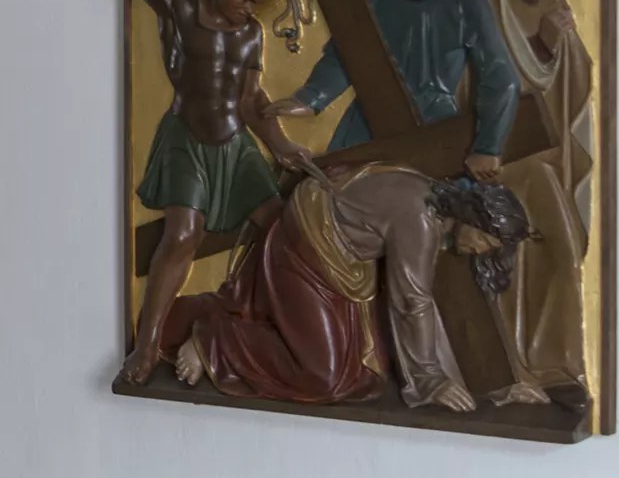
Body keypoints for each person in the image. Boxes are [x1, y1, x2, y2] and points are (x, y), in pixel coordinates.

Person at [119, 0, 318, 383]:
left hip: (234, 142)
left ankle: (259, 328)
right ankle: (147, 346)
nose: (251, 8)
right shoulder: (180, 7)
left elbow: (250, 100)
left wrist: (281, 145)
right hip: (187, 137)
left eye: (258, 2)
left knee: (282, 227)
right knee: (183, 235)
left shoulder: (250, 34)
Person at [169, 170, 536, 414]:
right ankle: (213, 339)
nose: (482, 250)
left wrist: (494, 388)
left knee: (365, 373)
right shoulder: (421, 220)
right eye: (487, 241)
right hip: (304, 252)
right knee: (325, 378)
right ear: (473, 217)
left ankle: (219, 321)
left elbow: (423, 304)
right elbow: (412, 302)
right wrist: (430, 381)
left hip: (340, 267)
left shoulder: (433, 202)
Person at [274, 0, 516, 180]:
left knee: (437, 194)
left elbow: (497, 72)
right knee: (333, 186)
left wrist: (488, 147)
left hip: (433, 118)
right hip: (370, 111)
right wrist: (312, 97)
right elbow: (345, 52)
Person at [478, 0, 593, 399]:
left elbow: (577, 84)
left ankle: (556, 366)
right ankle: (511, 369)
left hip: (541, 159)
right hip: (491, 158)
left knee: (559, 252)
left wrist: (561, 46)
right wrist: (544, 45)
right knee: (508, 256)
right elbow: (481, 78)